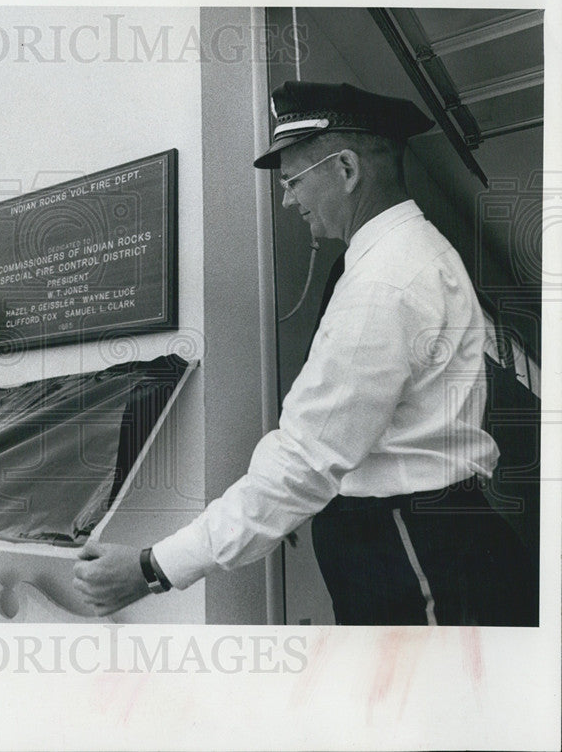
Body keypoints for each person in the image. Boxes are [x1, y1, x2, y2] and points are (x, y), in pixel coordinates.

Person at [74, 81, 537, 626]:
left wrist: (154, 567)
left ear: (346, 170)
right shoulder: (409, 255)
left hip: (413, 549)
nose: (289, 200)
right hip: (429, 536)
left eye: (292, 180)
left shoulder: (385, 281)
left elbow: (305, 457)